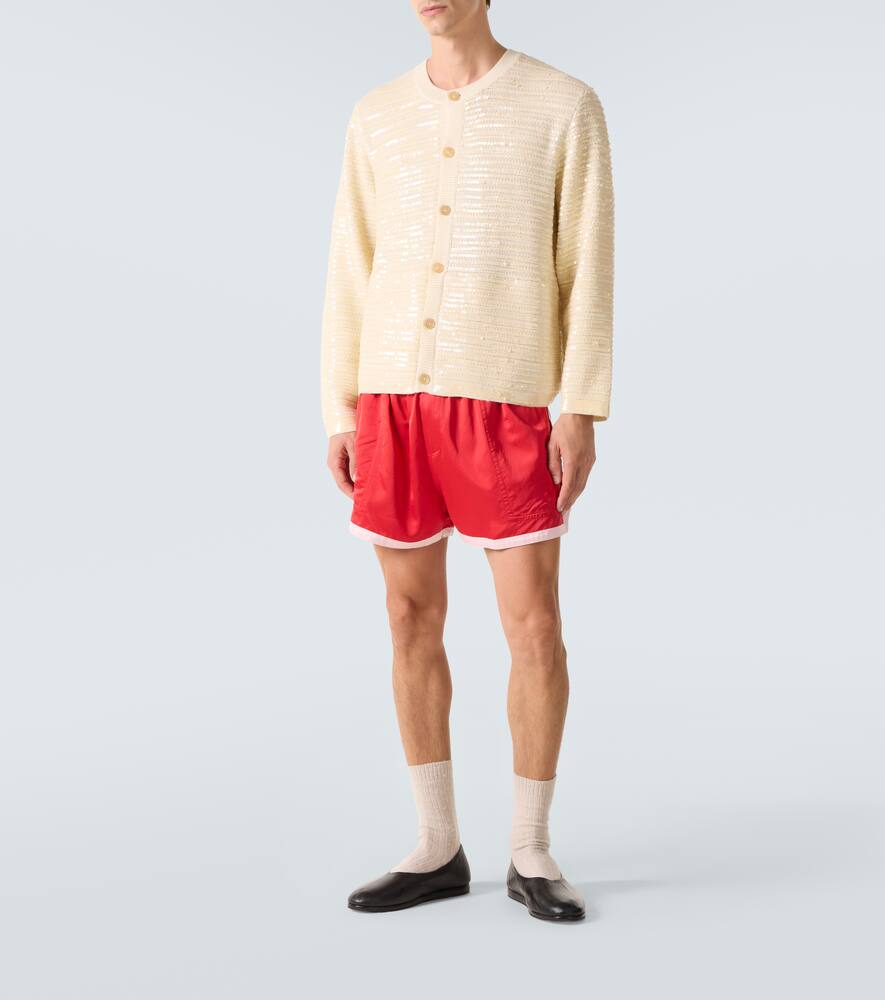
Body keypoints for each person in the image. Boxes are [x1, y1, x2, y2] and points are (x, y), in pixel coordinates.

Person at [320, 0, 614, 922]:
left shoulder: (562, 103)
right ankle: (436, 844)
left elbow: (588, 261)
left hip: (507, 400)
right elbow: (352, 262)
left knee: (533, 627)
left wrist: (581, 404)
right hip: (390, 401)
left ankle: (530, 848)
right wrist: (341, 407)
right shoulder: (375, 113)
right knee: (409, 617)